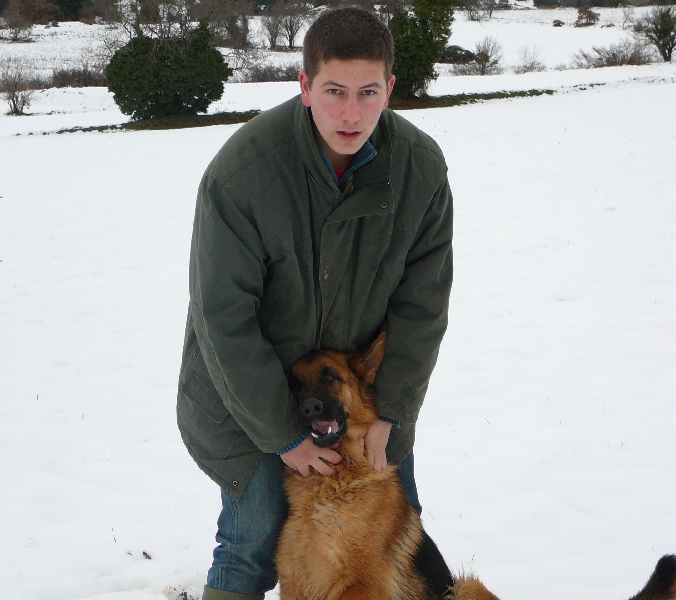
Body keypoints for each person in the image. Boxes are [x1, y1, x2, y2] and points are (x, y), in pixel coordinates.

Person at [176, 7, 453, 599]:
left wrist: (391, 411)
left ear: (389, 89)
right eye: (334, 92)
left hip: (357, 394)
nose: (351, 114)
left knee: (393, 532)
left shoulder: (420, 169)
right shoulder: (242, 174)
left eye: (367, 93)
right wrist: (282, 433)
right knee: (252, 540)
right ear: (304, 86)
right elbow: (223, 320)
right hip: (248, 393)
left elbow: (422, 306)